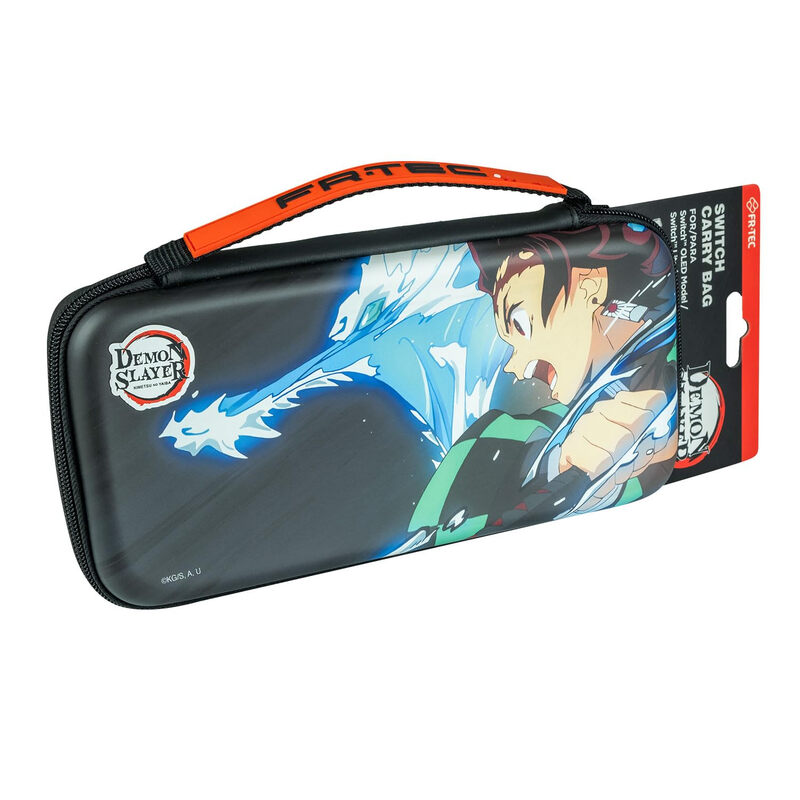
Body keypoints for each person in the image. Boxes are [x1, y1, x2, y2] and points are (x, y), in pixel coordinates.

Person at [396, 223, 678, 553]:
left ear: (589, 286)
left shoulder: (660, 369)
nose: (515, 366)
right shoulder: (507, 436)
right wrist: (559, 466)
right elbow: (433, 533)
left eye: (521, 324)